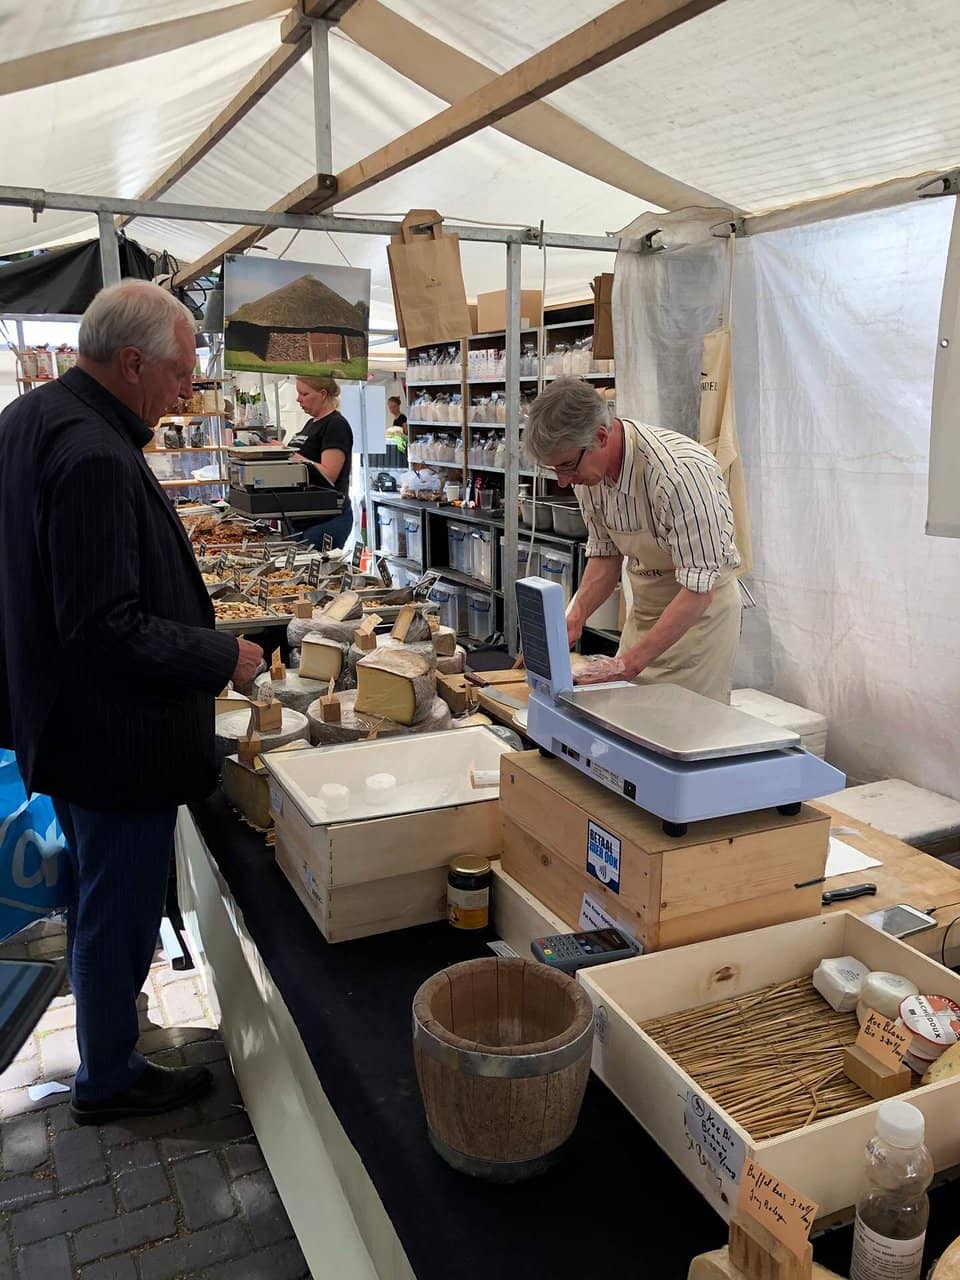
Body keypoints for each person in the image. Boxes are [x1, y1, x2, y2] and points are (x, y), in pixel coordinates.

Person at [0, 281, 263, 1123]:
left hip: (66, 723)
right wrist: (220, 654)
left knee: (94, 895)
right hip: (112, 740)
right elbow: (103, 626)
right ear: (132, 362)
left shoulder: (32, 415)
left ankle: (110, 1028)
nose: (187, 390)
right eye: (181, 372)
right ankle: (108, 1076)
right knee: (116, 906)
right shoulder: (94, 454)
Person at [525, 377, 742, 703]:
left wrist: (628, 664)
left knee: (683, 724)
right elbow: (605, 556)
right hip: (646, 614)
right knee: (627, 715)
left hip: (698, 625)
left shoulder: (679, 474)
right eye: (554, 469)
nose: (564, 480)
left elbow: (698, 591)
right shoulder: (589, 476)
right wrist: (575, 617)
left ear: (600, 437)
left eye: (567, 466)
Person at [289, 375, 354, 549]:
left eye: (304, 394)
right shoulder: (311, 424)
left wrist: (292, 456)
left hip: (326, 520)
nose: (298, 399)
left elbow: (329, 474)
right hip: (305, 518)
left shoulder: (335, 425)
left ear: (323, 394)